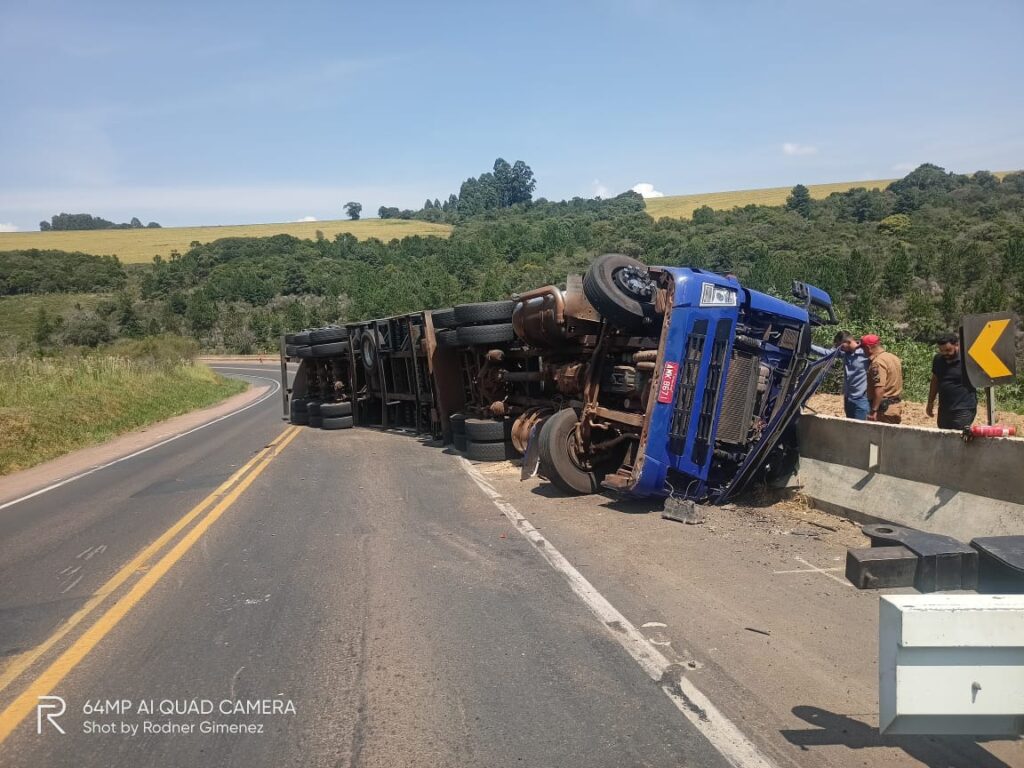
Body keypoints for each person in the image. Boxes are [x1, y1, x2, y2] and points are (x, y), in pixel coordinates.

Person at [926, 332, 977, 430]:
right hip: (944, 409)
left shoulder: (968, 360)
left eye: (948, 350)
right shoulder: (938, 359)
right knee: (944, 437)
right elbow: (935, 381)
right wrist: (930, 402)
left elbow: (983, 377)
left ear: (956, 345)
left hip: (963, 409)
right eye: (941, 350)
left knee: (958, 438)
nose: (945, 353)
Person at [861, 334, 903, 424]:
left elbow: (880, 388)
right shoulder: (893, 357)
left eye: (863, 348)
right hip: (895, 407)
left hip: (883, 411)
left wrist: (874, 411)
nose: (863, 351)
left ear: (868, 348)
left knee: (878, 437)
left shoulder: (877, 363)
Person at [833, 330, 870, 420]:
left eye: (840, 345)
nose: (839, 348)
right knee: (850, 428)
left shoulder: (865, 353)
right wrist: (808, 346)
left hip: (861, 400)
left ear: (847, 342)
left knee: (860, 430)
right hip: (848, 399)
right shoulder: (845, 353)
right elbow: (827, 354)